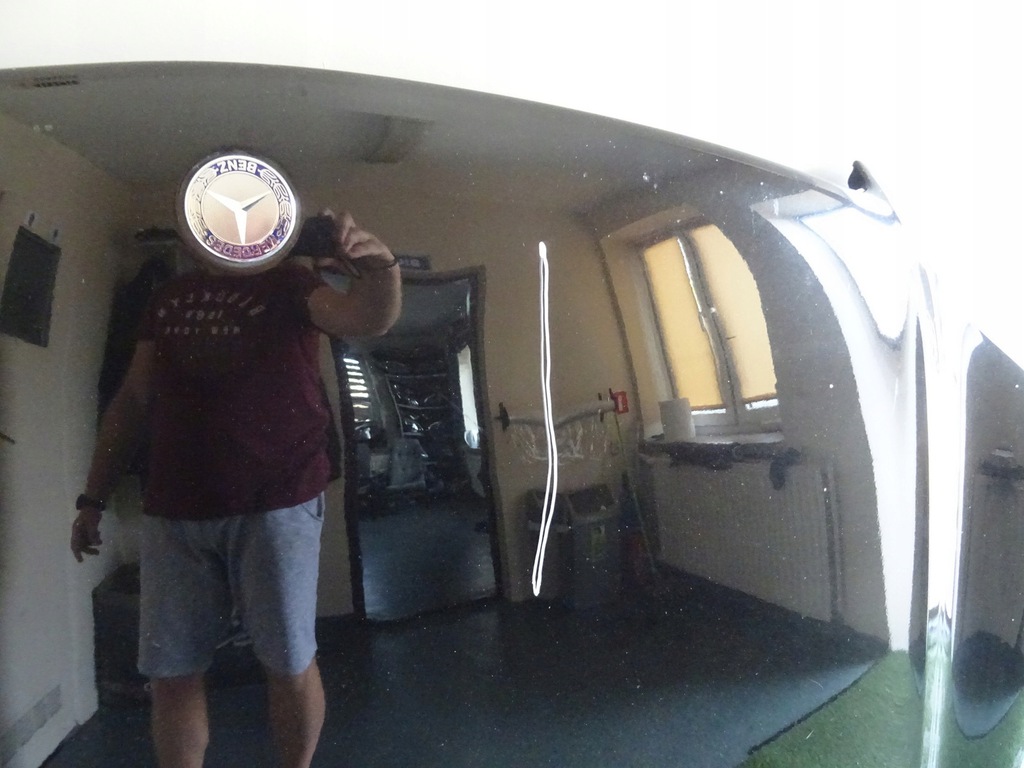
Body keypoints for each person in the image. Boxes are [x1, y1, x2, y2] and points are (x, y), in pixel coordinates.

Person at [70, 210, 401, 768]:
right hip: (173, 507)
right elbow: (132, 401)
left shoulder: (291, 282)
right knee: (171, 673)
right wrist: (92, 499)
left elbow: (367, 318)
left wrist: (382, 266)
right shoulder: (167, 297)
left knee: (288, 661)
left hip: (277, 501)